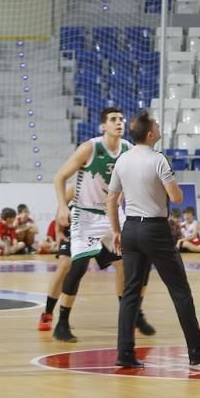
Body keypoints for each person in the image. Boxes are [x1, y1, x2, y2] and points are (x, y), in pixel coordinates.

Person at [107, 112, 200, 369]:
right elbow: (178, 197)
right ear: (150, 134)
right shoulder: (159, 159)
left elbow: (111, 200)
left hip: (130, 229)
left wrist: (116, 231)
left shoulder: (122, 160)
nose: (160, 127)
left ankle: (125, 353)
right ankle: (197, 348)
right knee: (180, 291)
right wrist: (172, 188)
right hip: (154, 230)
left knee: (130, 293)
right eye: (157, 126)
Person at [48, 107, 155, 342]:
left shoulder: (128, 149)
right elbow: (59, 177)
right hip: (85, 214)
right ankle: (62, 323)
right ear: (103, 126)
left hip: (113, 214)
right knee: (78, 267)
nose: (119, 123)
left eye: (121, 119)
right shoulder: (90, 148)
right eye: (113, 120)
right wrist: (63, 207)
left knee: (129, 264)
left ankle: (131, 315)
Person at [38, 185, 75, 331]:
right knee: (65, 265)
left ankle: (134, 316)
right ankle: (48, 313)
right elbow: (62, 205)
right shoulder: (77, 185)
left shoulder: (113, 179)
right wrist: (58, 231)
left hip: (102, 223)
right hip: (75, 226)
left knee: (121, 264)